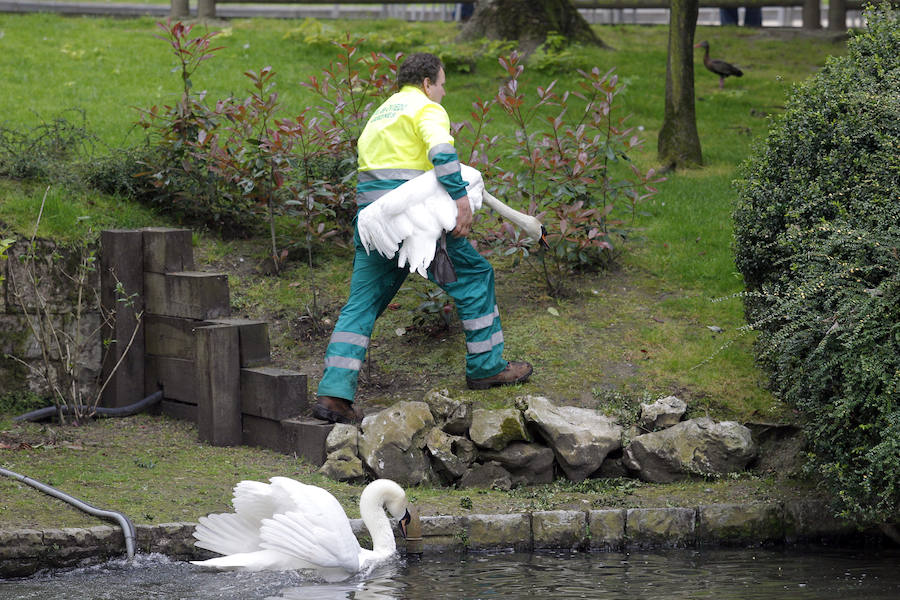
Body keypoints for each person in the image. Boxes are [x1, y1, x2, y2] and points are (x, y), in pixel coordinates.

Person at [313, 53, 533, 424]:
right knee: (476, 277)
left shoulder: (381, 114)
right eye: (442, 85)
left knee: (361, 304)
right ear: (427, 83)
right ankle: (487, 365)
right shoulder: (425, 107)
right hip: (412, 222)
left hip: (374, 224)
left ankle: (333, 396)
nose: (443, 93)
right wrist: (461, 200)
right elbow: (442, 152)